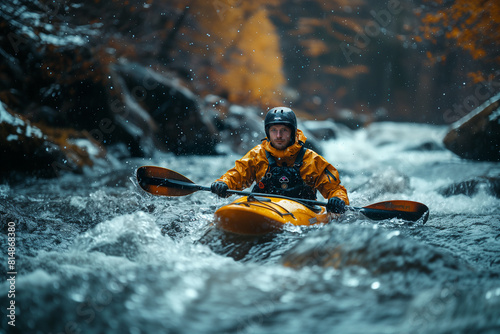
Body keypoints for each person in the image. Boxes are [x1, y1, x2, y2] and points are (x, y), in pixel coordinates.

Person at [211, 107, 349, 213]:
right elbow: (238, 174)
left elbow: (335, 188)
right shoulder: (257, 155)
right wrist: (223, 183)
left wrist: (338, 199)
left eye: (284, 130)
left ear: (292, 132)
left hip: (302, 211)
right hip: (261, 206)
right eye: (274, 130)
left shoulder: (311, 160)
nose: (278, 135)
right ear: (267, 132)